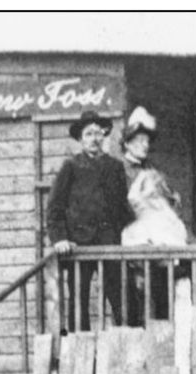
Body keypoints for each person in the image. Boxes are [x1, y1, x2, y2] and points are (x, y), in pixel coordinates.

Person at [46, 110, 131, 332]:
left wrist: (131, 234)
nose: (94, 138)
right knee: (78, 301)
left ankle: (125, 347)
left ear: (104, 137)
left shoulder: (115, 167)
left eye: (98, 133)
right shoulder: (71, 167)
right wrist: (60, 238)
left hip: (110, 243)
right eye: (88, 134)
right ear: (81, 139)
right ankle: (80, 354)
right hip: (79, 245)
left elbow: (123, 208)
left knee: (122, 298)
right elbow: (55, 207)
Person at [118, 106, 185, 323]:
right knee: (138, 297)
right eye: (139, 141)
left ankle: (164, 340)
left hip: (160, 239)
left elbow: (166, 202)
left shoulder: (152, 171)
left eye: (146, 142)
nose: (144, 146)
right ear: (127, 143)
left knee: (165, 289)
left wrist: (171, 199)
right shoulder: (120, 170)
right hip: (135, 238)